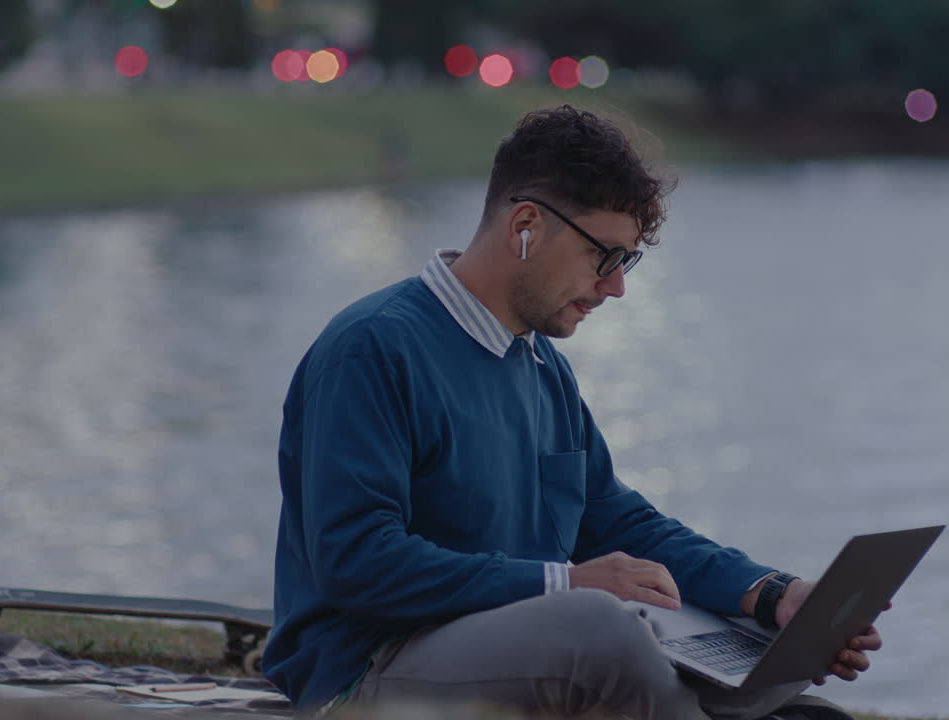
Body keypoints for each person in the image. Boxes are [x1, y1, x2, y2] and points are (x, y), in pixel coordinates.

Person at [263, 105, 881, 719]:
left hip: (517, 647)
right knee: (598, 628)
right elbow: (359, 564)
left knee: (768, 647)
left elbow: (616, 521)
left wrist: (771, 595)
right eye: (604, 256)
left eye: (625, 262)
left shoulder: (540, 365)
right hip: (364, 673)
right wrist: (566, 583)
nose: (616, 287)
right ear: (526, 224)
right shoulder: (372, 347)